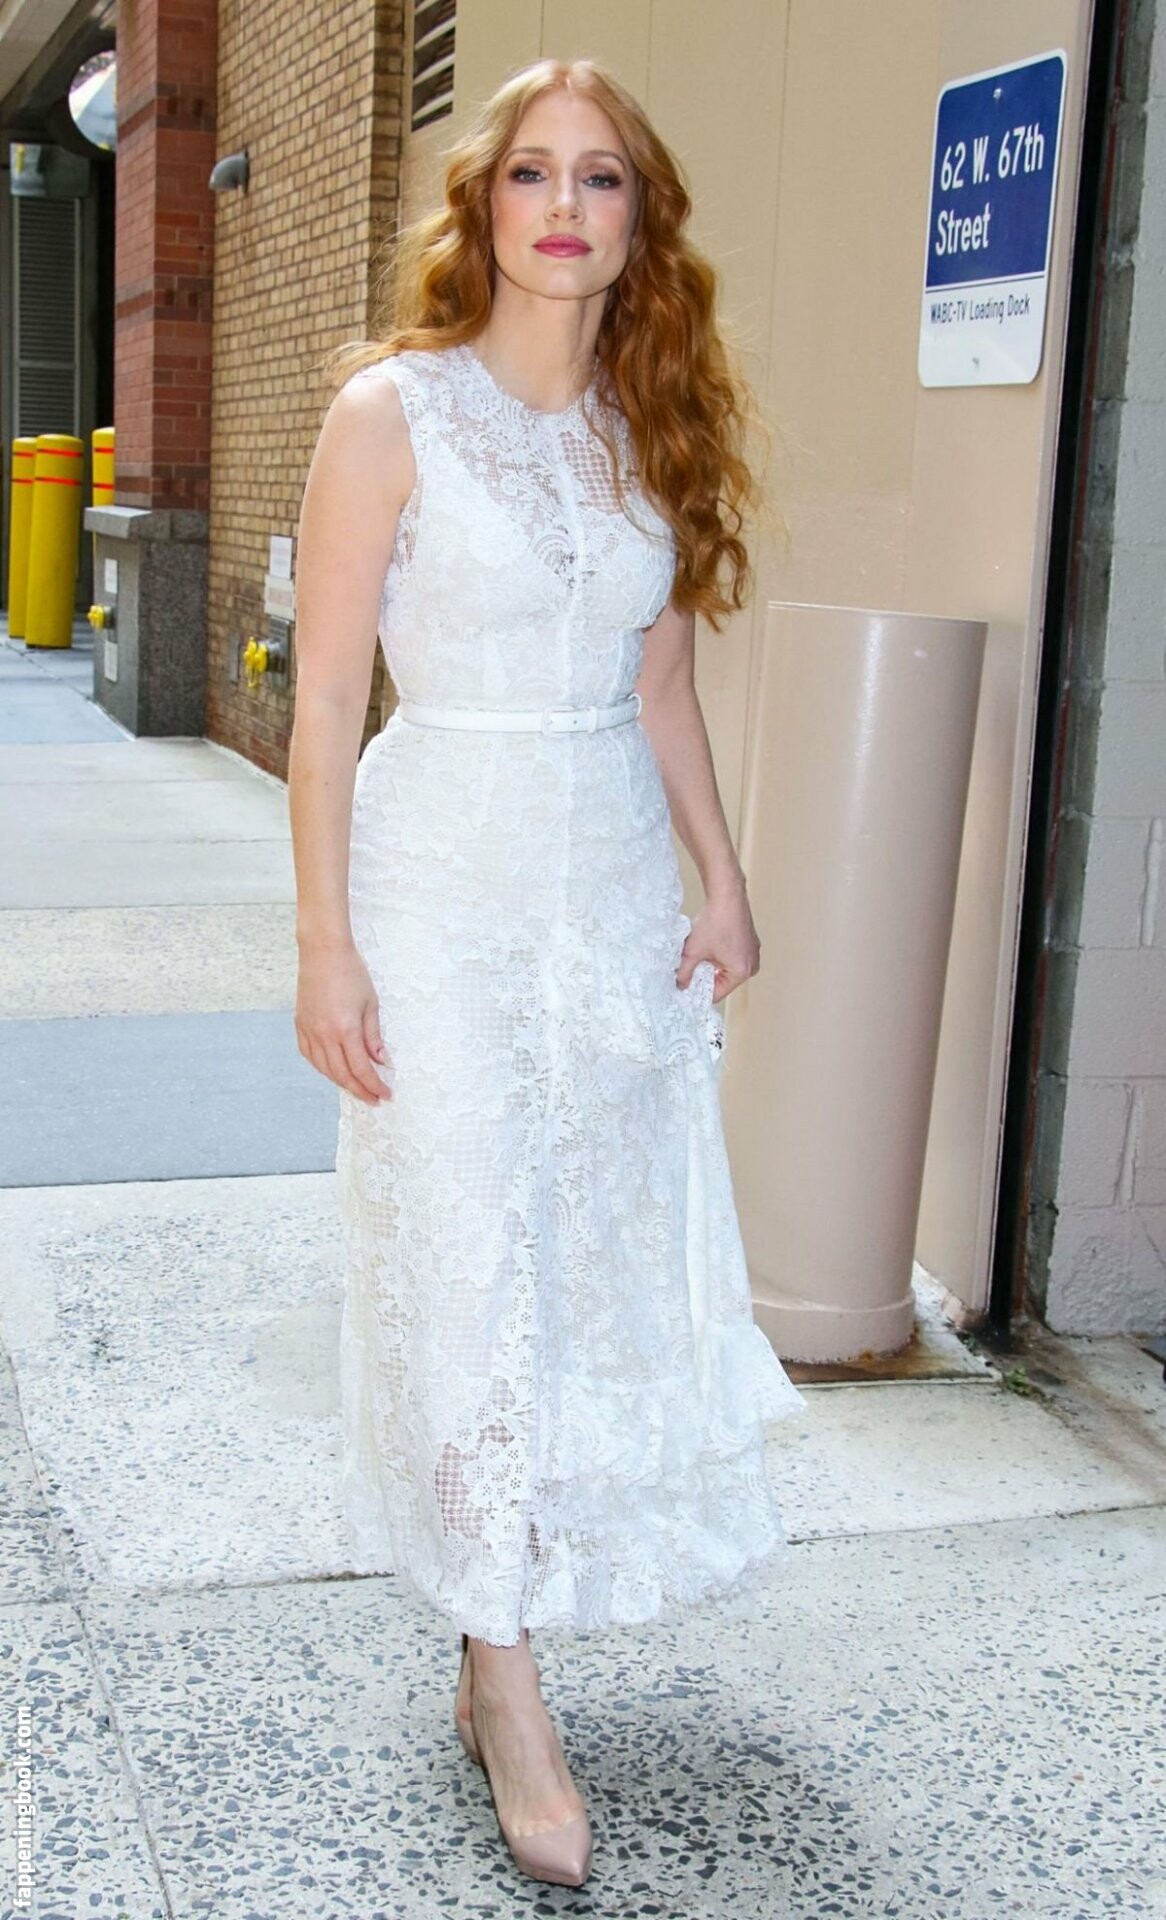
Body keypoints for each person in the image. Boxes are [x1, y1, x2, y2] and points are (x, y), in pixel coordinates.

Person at [287, 54, 806, 1891]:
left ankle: (488, 1618)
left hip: (606, 886)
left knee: (572, 1261)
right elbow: (327, 701)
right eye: (530, 172)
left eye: (599, 177)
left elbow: (660, 686)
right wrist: (325, 941)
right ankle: (506, 1683)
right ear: (483, 206)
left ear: (637, 221)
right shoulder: (389, 415)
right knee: (469, 1259)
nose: (563, 206)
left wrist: (721, 882)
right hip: (440, 877)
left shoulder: (648, 420)